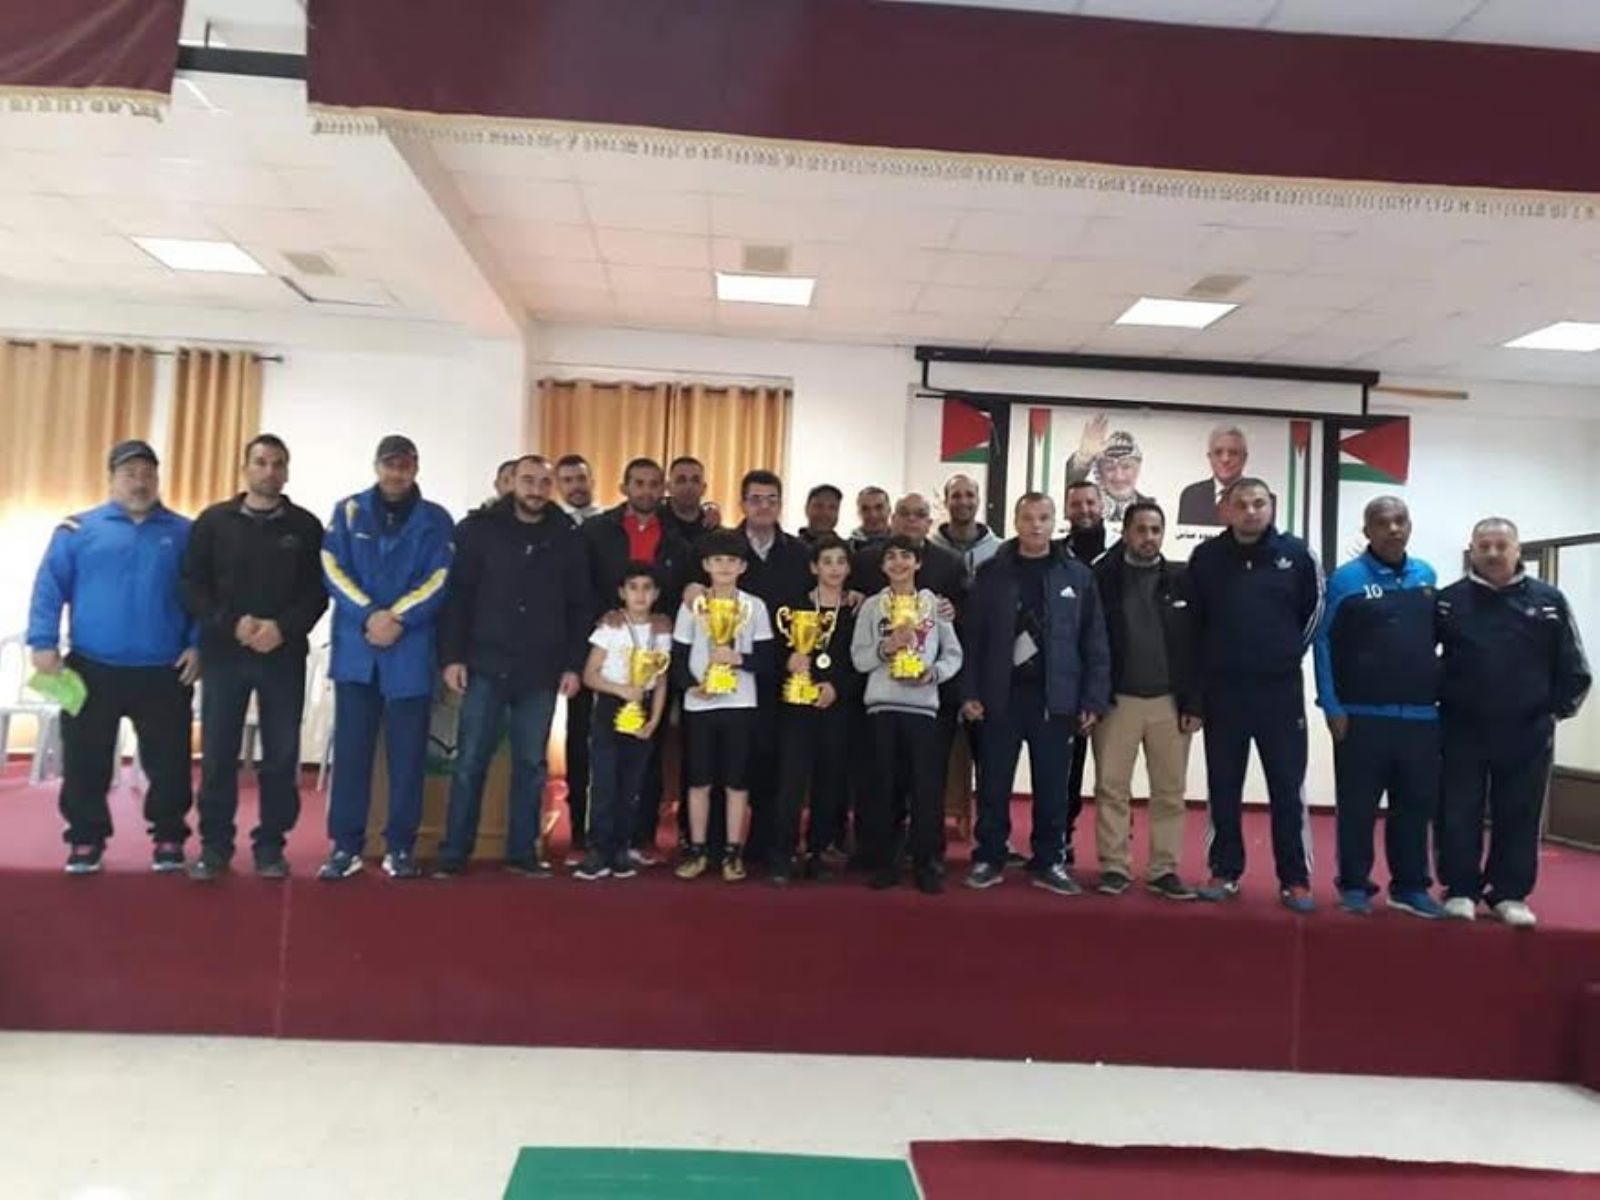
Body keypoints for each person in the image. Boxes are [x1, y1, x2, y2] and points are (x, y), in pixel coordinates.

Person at [28, 439, 201, 875]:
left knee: (170, 762)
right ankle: (85, 839)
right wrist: (42, 642)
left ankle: (168, 837)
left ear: (157, 479)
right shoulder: (77, 530)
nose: (139, 483)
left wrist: (199, 645)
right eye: (129, 474)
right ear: (111, 479)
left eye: (147, 474)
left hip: (164, 670)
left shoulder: (186, 533)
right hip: (91, 666)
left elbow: (204, 595)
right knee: (85, 759)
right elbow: (49, 585)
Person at [434, 455, 590, 877]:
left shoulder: (568, 537)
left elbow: (580, 606)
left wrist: (573, 664)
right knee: (469, 762)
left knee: (531, 766)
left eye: (543, 482)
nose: (535, 490)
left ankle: (523, 852)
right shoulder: (477, 530)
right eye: (527, 480)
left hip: (542, 669)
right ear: (511, 483)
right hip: (485, 663)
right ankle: (454, 851)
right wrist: (452, 657)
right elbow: (457, 598)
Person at [181, 434, 327, 881]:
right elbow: (192, 586)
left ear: (287, 471)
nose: (269, 471)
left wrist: (282, 628)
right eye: (260, 462)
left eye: (277, 463)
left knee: (281, 756)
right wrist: (233, 624)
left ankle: (270, 846)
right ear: (245, 468)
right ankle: (215, 847)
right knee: (219, 754)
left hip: (282, 655)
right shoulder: (213, 522)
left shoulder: (305, 526)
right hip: (225, 655)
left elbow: (318, 593)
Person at [1434, 517, 1591, 927]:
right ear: (1472, 550)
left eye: (1501, 545)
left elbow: (1574, 667)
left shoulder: (1549, 601)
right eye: (1484, 545)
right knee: (1457, 811)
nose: (1492, 553)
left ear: (1517, 550)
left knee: (1519, 813)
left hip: (1526, 730)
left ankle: (1509, 893)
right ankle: (1461, 890)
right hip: (1462, 729)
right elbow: (1422, 662)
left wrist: (1553, 712)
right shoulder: (1448, 602)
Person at [318, 435, 454, 881]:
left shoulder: (436, 519)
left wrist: (396, 617)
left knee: (408, 758)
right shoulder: (348, 511)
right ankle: (346, 847)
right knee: (352, 754)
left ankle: (400, 847)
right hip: (358, 649)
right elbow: (332, 568)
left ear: (416, 468)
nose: (397, 473)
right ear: (377, 467)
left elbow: (440, 577)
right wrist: (370, 615)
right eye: (390, 465)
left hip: (409, 649)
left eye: (405, 466)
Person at [1187, 478, 1324, 912]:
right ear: (1225, 510)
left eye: (1259, 503)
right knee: (1223, 785)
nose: (1250, 511)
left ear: (1271, 507)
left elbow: (1315, 611)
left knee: (1287, 786)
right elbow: (1194, 625)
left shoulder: (1297, 554)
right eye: (1241, 504)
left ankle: (1295, 878)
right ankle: (1224, 870)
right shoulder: (1206, 557)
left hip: (1279, 692)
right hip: (1224, 692)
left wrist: (1285, 654)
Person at [962, 493, 1109, 895]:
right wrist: (969, 692)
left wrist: (1092, 699)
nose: (1036, 525)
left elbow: (1094, 640)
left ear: (1054, 521)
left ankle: (1049, 860)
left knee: (1053, 787)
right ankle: (989, 856)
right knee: (993, 783)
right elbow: (972, 639)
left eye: (1044, 517)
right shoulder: (992, 573)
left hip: (1055, 699)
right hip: (1000, 697)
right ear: (1015, 521)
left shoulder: (1076, 575)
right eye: (1027, 518)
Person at [1313, 497, 1446, 919]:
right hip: (1361, 716)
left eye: (1400, 520)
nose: (1393, 529)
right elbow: (1323, 642)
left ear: (1410, 525)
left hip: (1421, 718)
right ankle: (1354, 885)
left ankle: (1409, 887)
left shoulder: (1426, 576)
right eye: (1382, 522)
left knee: (1415, 806)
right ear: (1367, 530)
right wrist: (1330, 704)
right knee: (1357, 807)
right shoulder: (1345, 580)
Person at [1090, 502, 1201, 900]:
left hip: (1170, 704)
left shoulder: (1183, 580)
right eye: (1141, 529)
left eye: (1156, 530)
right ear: (1126, 533)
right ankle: (1114, 866)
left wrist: (1195, 703)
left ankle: (1163, 869)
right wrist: (1093, 698)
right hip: (1116, 702)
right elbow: (1090, 641)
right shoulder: (1102, 578)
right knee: (1111, 788)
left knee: (1169, 792)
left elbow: (1198, 645)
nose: (1149, 537)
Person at [584, 457, 695, 856]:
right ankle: (593, 839)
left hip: (654, 647)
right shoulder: (598, 530)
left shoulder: (677, 538)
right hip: (609, 650)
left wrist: (667, 618)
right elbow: (584, 581)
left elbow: (683, 588)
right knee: (600, 761)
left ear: (662, 489)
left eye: (653, 484)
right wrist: (604, 613)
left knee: (646, 760)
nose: (647, 490)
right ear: (624, 486)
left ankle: (637, 837)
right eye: (639, 483)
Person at [851, 535, 963, 894]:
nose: (899, 563)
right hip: (882, 707)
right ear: (883, 566)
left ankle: (927, 862)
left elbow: (953, 654)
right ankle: (888, 861)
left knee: (926, 790)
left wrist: (934, 673)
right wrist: (886, 648)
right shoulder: (873, 607)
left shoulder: (933, 605)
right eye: (891, 557)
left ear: (918, 563)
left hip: (923, 710)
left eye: (906, 556)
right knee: (886, 788)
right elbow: (859, 659)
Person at [672, 530, 775, 883]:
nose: (725, 567)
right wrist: (693, 686)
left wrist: (738, 658)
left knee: (737, 782)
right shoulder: (693, 605)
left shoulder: (754, 606)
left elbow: (767, 659)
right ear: (706, 565)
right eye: (718, 561)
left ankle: (733, 852)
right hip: (699, 705)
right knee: (698, 780)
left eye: (732, 561)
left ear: (743, 567)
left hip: (741, 704)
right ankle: (698, 849)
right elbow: (678, 656)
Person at [576, 562, 673, 882]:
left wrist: (654, 719)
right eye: (633, 588)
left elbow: (661, 680)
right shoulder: (610, 627)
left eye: (647, 588)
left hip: (643, 709)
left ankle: (621, 847)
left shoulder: (662, 631)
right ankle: (598, 848)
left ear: (656, 594)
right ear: (622, 593)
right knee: (604, 780)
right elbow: (590, 675)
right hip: (611, 706)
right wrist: (621, 690)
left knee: (632, 783)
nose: (640, 595)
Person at [771, 535, 860, 884]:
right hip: (796, 708)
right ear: (813, 567)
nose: (834, 569)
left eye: (840, 562)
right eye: (827, 562)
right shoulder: (793, 608)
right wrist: (788, 661)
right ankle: (782, 854)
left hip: (836, 707)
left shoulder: (855, 610)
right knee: (790, 784)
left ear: (848, 568)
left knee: (829, 783)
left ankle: (817, 852)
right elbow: (775, 652)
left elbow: (859, 661)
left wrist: (837, 687)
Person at [1059, 478, 1108, 866]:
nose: (1085, 510)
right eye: (1077, 505)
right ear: (1067, 510)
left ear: (1102, 506)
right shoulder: (1056, 555)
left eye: (1090, 503)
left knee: (1113, 772)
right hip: (1070, 679)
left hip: (1117, 677)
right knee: (1068, 766)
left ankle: (1114, 852)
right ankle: (1062, 834)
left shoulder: (1121, 553)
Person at [1063, 416, 1151, 523]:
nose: (1118, 477)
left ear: (1138, 468)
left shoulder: (1149, 506)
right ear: (1099, 471)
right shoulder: (1086, 508)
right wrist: (1084, 458)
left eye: (1126, 467)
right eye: (1110, 468)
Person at [929, 473, 1001, 583]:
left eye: (970, 495)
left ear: (978, 501)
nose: (963, 502)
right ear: (945, 503)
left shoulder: (999, 551)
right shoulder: (930, 549)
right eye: (956, 496)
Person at [1177, 425, 1249, 527]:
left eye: (1233, 453)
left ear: (1244, 458)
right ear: (1210, 457)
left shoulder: (1261, 499)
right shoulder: (1191, 496)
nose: (1225, 459)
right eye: (1218, 453)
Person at [663, 455, 721, 545]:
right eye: (681, 480)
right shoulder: (654, 522)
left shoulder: (712, 529)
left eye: (695, 480)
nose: (689, 486)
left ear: (704, 488)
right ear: (669, 487)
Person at [555, 453, 603, 524]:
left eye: (581, 478)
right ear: (558, 487)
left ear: (592, 482)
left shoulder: (609, 519)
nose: (576, 486)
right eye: (567, 480)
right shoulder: (549, 522)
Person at [849, 486, 892, 554]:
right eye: (865, 509)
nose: (873, 514)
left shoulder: (903, 544)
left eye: (879, 507)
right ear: (859, 513)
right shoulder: (848, 549)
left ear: (889, 510)